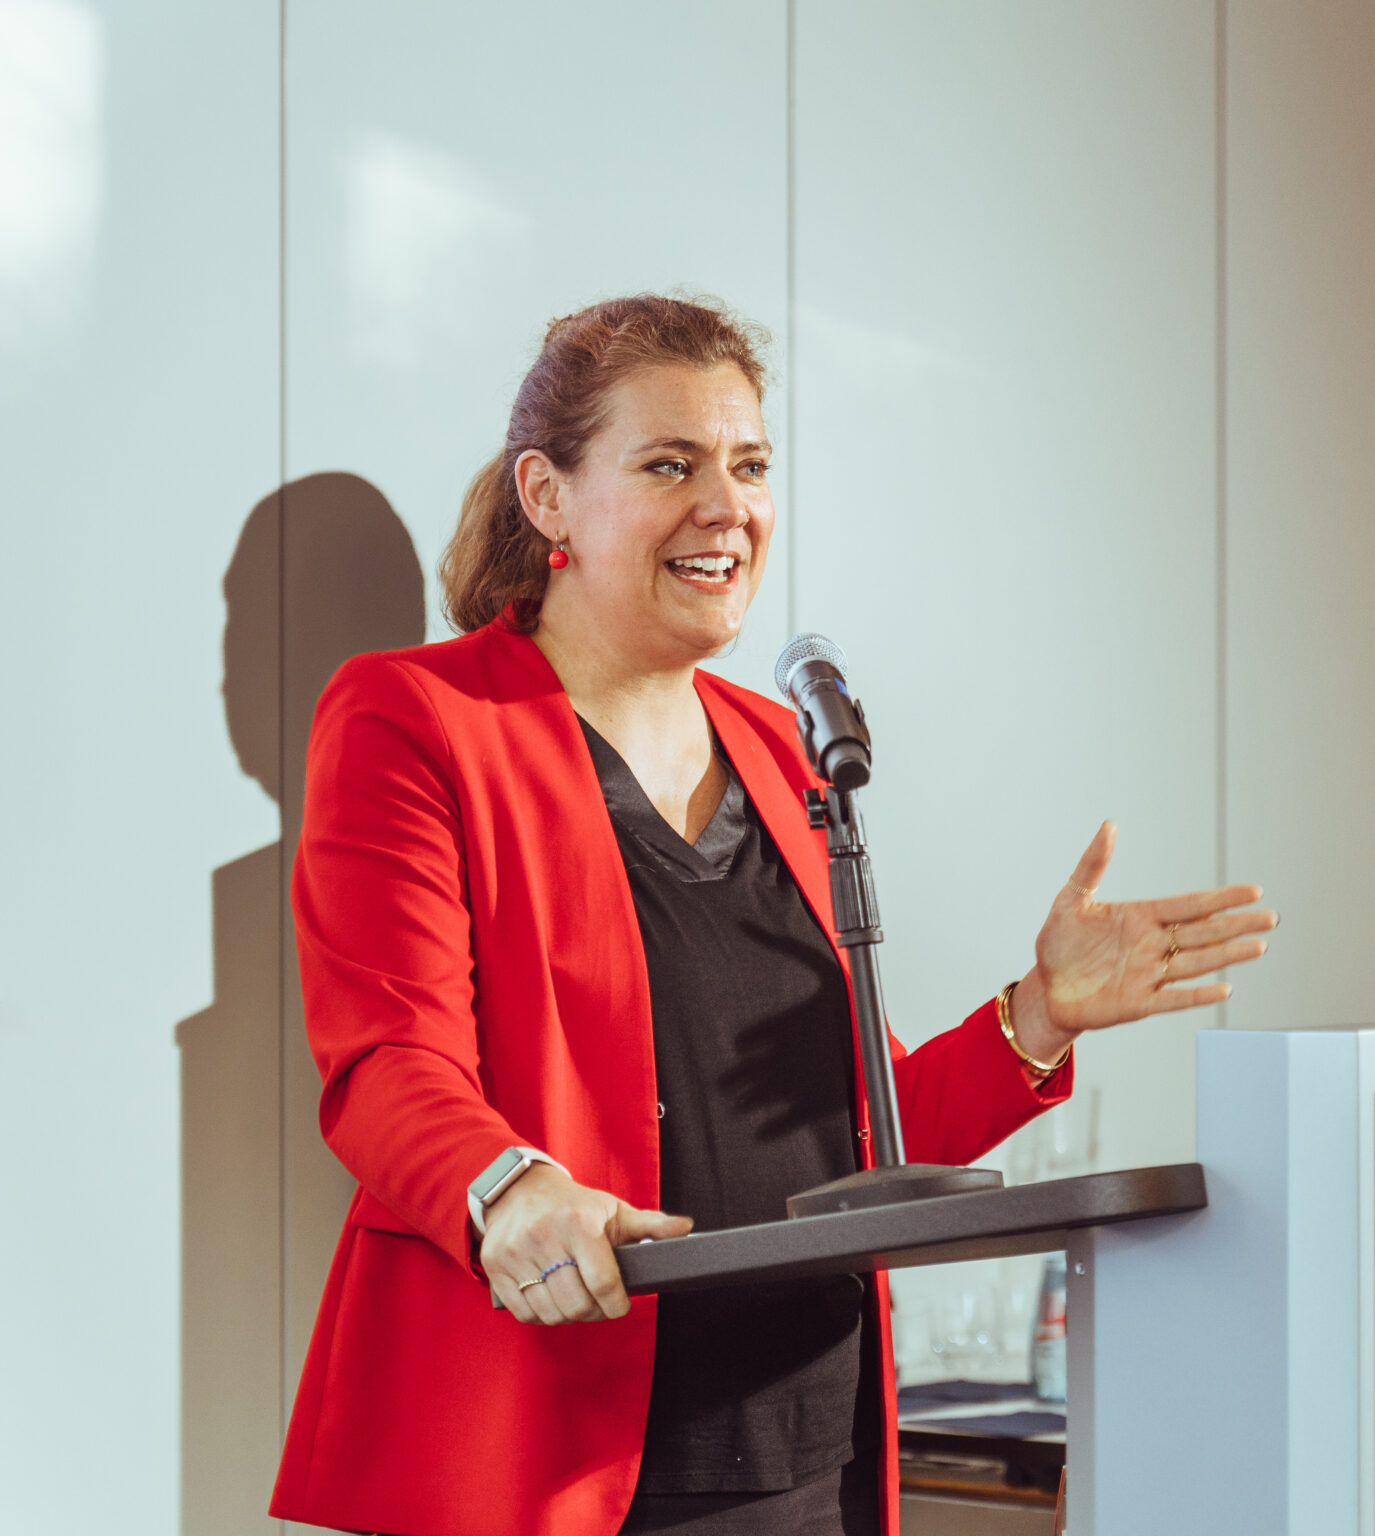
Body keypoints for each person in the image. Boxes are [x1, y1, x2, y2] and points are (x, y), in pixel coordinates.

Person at [267, 294, 1277, 1536]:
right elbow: (384, 1061)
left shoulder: (780, 748)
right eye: (668, 465)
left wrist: (1040, 1014)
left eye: (748, 465)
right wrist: (509, 1187)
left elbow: (850, 1137)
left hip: (809, 1456)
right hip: (558, 1463)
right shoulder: (417, 721)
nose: (725, 506)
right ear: (546, 498)